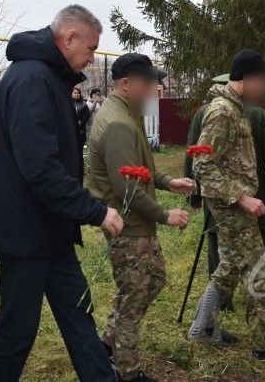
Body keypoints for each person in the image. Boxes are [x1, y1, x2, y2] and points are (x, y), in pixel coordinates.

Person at [0, 5, 123, 382]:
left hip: (50, 230)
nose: (92, 59)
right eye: (90, 49)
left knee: (78, 315)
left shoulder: (48, 77)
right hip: (23, 232)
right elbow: (40, 167)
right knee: (17, 330)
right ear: (69, 37)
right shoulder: (31, 79)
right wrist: (95, 211)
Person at [85, 53, 195, 382]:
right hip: (128, 225)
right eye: (148, 83)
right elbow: (127, 186)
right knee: (134, 296)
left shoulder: (126, 113)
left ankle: (107, 342)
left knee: (153, 281)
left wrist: (166, 181)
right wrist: (164, 214)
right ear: (125, 83)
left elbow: (140, 166)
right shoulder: (118, 122)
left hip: (135, 223)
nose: (154, 88)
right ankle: (126, 370)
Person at [187, 49, 265, 365]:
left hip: (235, 207)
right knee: (259, 273)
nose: (264, 87)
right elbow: (203, 165)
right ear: (248, 79)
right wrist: (241, 197)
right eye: (262, 80)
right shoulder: (222, 112)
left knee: (229, 269)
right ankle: (264, 345)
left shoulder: (238, 109)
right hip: (231, 208)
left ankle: (204, 327)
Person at [183, 73, 265, 279]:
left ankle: (223, 299)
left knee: (217, 239)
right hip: (253, 192)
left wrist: (194, 193)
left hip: (217, 192)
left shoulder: (203, 113)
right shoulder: (258, 113)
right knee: (256, 241)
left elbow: (192, 153)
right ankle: (253, 286)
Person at [71, 84, 91, 150]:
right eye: (75, 93)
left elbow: (87, 115)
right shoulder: (68, 103)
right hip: (70, 128)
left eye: (78, 93)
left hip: (81, 129)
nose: (77, 94)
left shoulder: (83, 103)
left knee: (79, 148)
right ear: (71, 93)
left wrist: (81, 121)